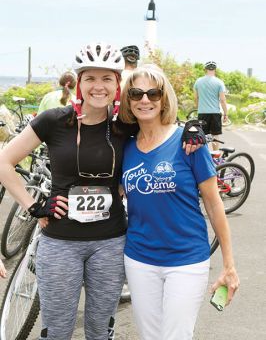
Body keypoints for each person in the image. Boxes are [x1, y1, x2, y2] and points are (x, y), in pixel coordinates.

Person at [0, 44, 204, 339]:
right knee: (57, 331)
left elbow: (162, 125)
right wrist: (33, 206)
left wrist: (193, 126)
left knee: (100, 331)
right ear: (79, 83)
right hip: (60, 242)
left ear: (117, 85)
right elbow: (5, 162)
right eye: (90, 78)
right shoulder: (54, 121)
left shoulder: (125, 126)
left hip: (110, 243)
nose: (99, 86)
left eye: (107, 79)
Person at [119, 64, 239, 340]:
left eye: (153, 93)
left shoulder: (189, 143)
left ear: (164, 98)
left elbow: (213, 203)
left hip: (186, 260)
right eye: (136, 93)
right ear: (128, 99)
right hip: (139, 259)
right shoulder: (124, 146)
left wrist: (229, 264)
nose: (145, 100)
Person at [194, 61, 228, 150]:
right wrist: (226, 113)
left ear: (205, 69)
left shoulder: (198, 81)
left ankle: (204, 158)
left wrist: (198, 108)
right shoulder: (219, 82)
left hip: (202, 113)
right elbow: (223, 100)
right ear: (215, 70)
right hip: (215, 113)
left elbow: (196, 98)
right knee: (215, 136)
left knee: (203, 136)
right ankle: (215, 158)